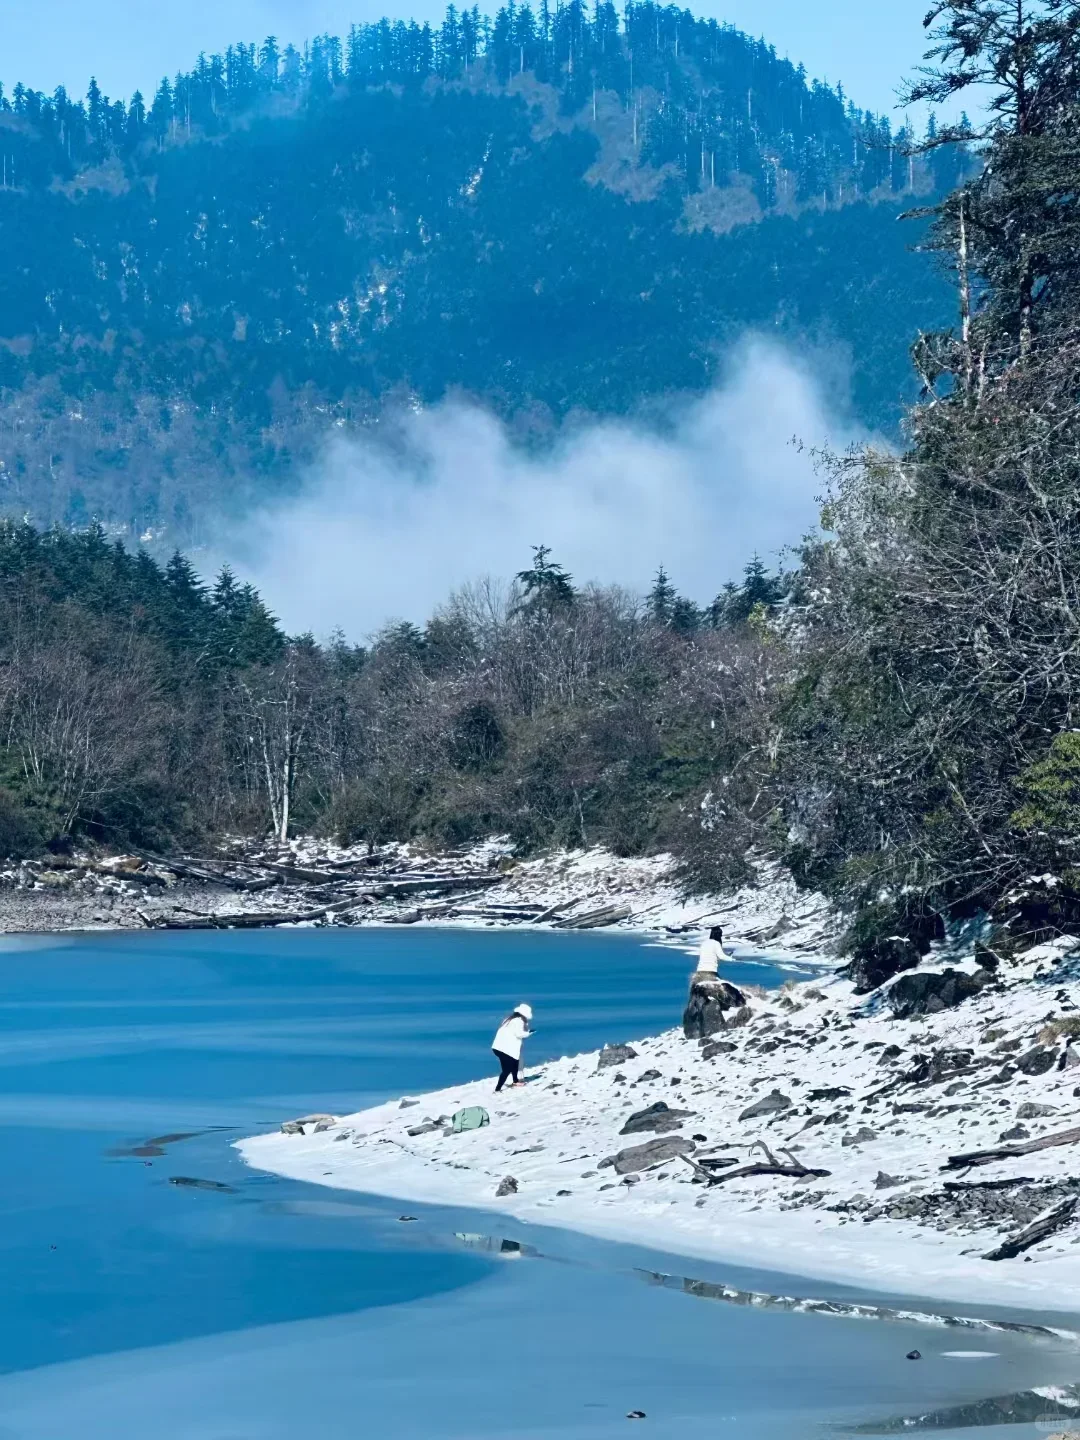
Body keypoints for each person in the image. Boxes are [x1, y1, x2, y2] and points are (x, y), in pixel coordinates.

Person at [492, 1003, 533, 1091]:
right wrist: (529, 1033)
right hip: (505, 1049)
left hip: (498, 1047)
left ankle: (515, 1081)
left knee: (515, 1062)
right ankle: (497, 1089)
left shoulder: (509, 1019)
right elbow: (519, 1034)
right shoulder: (518, 1021)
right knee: (507, 1070)